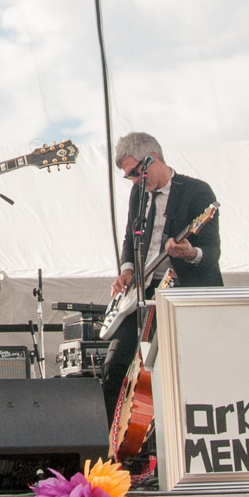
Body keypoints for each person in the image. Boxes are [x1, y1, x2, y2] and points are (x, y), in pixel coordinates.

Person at [102, 133, 221, 421]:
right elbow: (130, 237)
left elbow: (212, 250)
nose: (133, 180)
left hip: (182, 293)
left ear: (153, 158)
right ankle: (109, 448)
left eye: (135, 173)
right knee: (115, 365)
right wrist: (127, 269)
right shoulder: (137, 194)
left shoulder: (197, 192)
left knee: (174, 371)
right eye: (128, 176)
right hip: (142, 294)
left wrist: (190, 253)